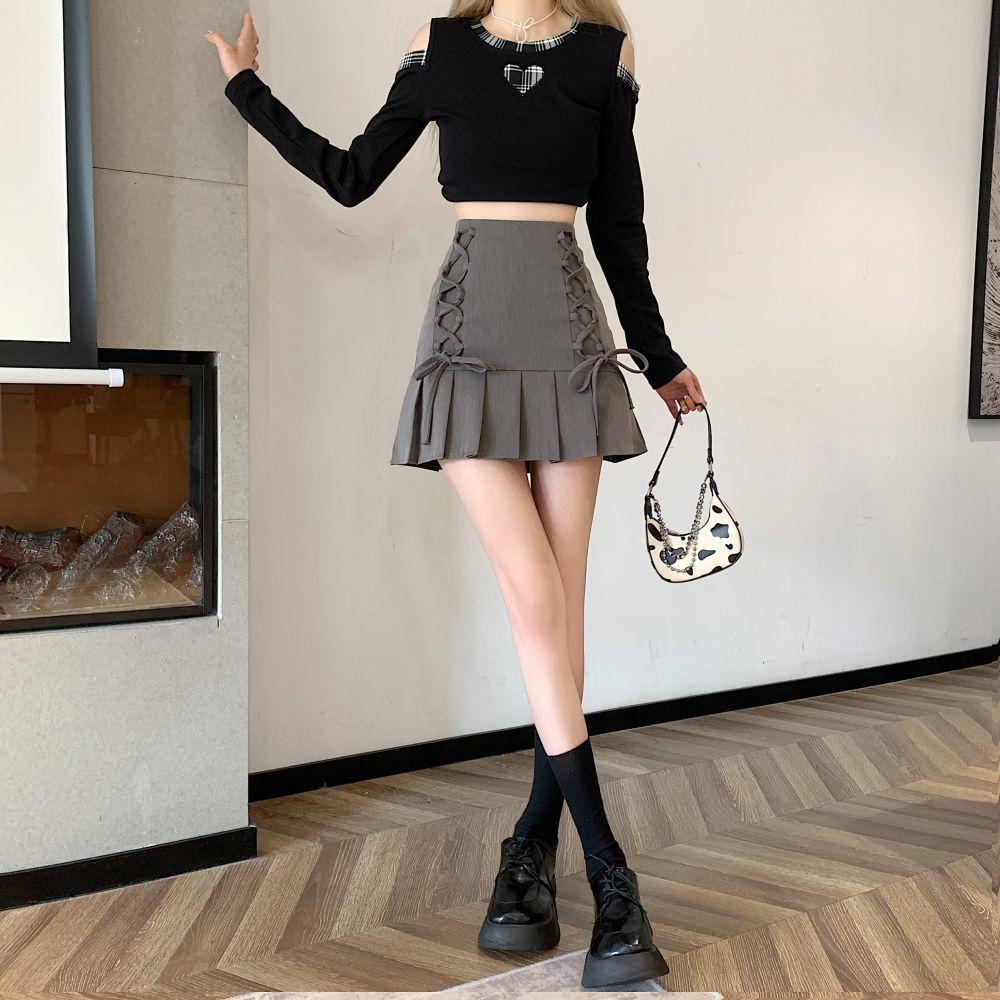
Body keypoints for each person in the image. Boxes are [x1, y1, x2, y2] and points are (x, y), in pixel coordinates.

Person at [208, 2, 705, 988]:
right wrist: (245, 89)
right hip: (467, 346)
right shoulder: (436, 47)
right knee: (534, 604)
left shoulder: (606, 55)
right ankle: (613, 878)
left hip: (570, 345)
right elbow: (352, 175)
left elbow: (620, 224)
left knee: (559, 612)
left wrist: (657, 357)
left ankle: (528, 850)